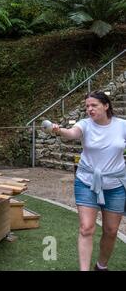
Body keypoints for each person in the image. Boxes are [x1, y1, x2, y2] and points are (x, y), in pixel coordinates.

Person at [50, 90, 126, 271]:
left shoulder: (122, 125)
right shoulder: (84, 124)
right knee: (86, 228)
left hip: (115, 184)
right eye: (87, 106)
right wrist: (59, 130)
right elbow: (71, 133)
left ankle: (101, 266)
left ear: (106, 106)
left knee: (111, 231)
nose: (89, 109)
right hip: (86, 182)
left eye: (94, 105)